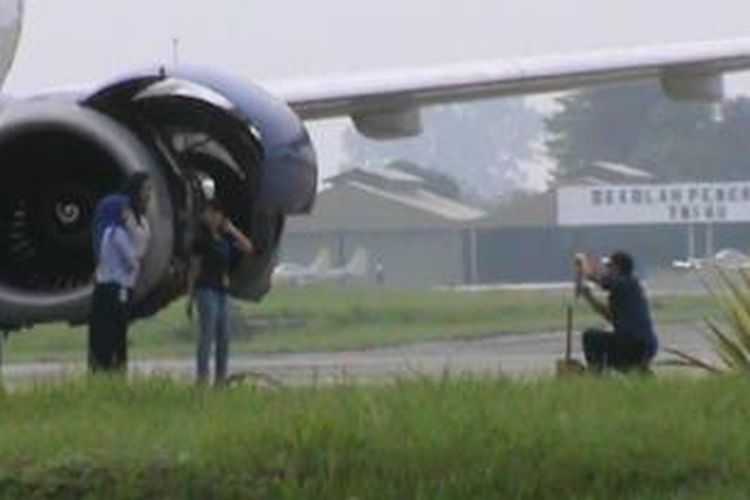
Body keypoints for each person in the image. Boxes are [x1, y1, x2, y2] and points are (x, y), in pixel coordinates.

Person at [89, 173, 153, 373]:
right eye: (146, 189)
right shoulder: (115, 234)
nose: (149, 194)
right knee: (107, 336)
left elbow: (139, 250)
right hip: (113, 286)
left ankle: (114, 373)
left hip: (124, 286)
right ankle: (108, 373)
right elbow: (132, 259)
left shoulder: (140, 221)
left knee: (116, 335)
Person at [186, 201, 254, 385]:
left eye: (218, 214)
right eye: (211, 213)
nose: (214, 217)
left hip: (222, 290)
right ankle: (202, 378)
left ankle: (220, 378)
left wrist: (231, 229)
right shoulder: (200, 239)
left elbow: (248, 247)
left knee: (224, 336)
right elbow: (194, 268)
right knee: (207, 334)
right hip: (205, 289)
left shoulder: (224, 238)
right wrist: (190, 297)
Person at [576, 251, 659, 373]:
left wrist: (582, 263)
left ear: (616, 267)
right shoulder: (629, 287)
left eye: (609, 267)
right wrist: (589, 297)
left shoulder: (623, 282)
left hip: (633, 344)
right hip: (644, 345)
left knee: (590, 337)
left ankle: (596, 375)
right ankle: (637, 372)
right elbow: (610, 316)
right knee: (605, 342)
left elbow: (597, 278)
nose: (607, 270)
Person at [89, 195, 137, 373]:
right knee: (117, 332)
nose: (127, 213)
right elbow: (130, 261)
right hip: (118, 288)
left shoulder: (105, 232)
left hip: (103, 288)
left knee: (102, 332)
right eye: (125, 209)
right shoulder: (119, 233)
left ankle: (100, 368)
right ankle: (117, 369)